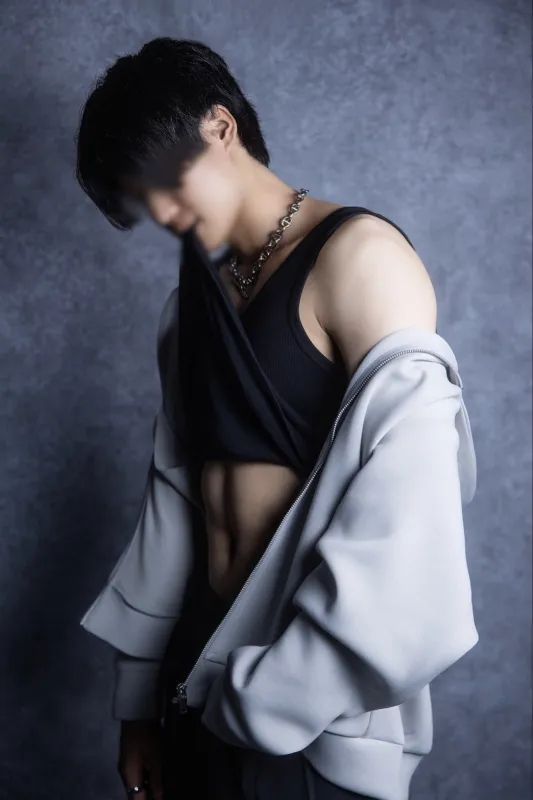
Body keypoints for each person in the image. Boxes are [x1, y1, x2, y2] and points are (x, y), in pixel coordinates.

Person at [75, 38, 479, 800]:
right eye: (141, 197)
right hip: (193, 683)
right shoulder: (189, 309)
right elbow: (173, 502)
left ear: (220, 127)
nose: (159, 214)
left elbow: (411, 522)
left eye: (162, 182)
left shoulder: (360, 259)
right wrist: (139, 707)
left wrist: (269, 701)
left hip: (304, 712)